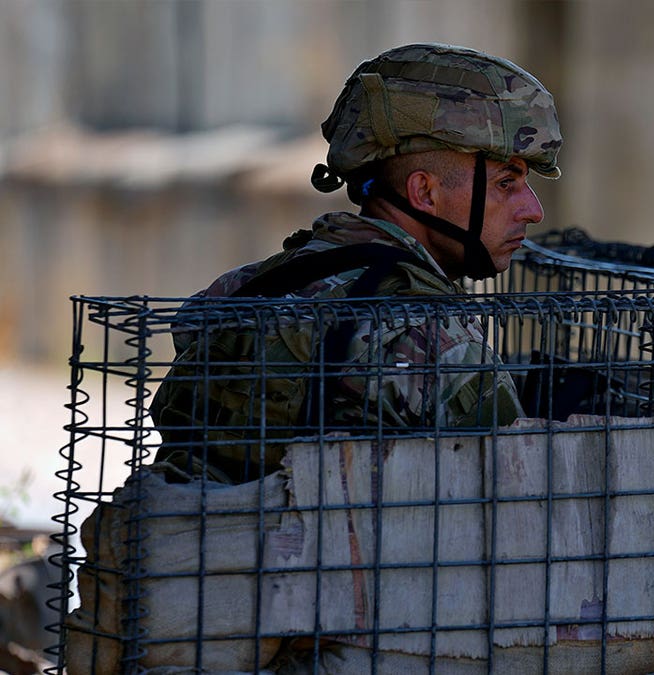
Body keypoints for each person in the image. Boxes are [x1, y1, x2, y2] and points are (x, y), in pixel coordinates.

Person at [149, 42, 563, 484]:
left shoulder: (244, 288)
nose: (532, 210)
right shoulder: (438, 342)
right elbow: (519, 506)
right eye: (506, 183)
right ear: (424, 193)